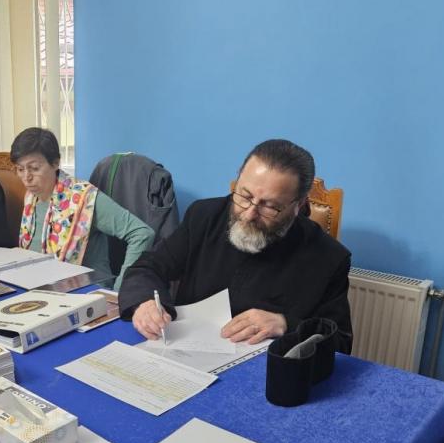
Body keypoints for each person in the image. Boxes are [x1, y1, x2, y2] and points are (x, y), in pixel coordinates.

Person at [119, 139, 353, 352]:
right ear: (238, 180)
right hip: (186, 356)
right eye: (245, 196)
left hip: (265, 372)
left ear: (298, 205)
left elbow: (340, 342)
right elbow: (146, 268)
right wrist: (145, 303)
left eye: (270, 206)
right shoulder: (204, 216)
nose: (249, 214)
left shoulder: (329, 257)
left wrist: (286, 324)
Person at [11, 127, 154, 290]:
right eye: (20, 169)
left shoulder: (84, 199)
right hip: (39, 287)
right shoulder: (31, 199)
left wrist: (121, 290)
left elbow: (142, 234)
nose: (26, 178)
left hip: (84, 292)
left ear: (56, 163)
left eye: (35, 168)